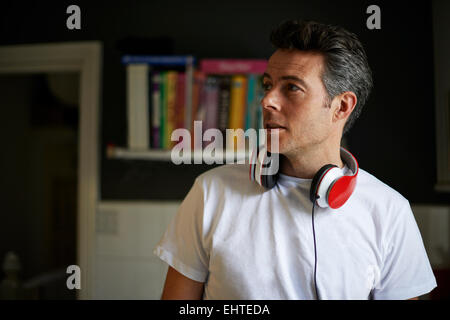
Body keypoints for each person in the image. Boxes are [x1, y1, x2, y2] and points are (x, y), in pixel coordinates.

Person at [153, 19, 437, 300]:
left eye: (291, 88)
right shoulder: (210, 192)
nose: (266, 101)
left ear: (341, 106)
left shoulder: (389, 212)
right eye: (268, 85)